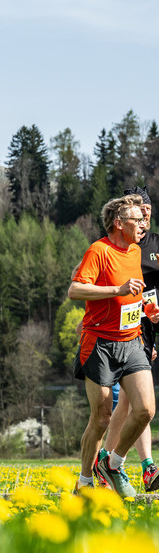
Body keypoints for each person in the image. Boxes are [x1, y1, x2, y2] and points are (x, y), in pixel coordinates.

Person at [69, 193, 156, 497]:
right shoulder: (99, 251)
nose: (144, 224)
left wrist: (147, 310)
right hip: (100, 344)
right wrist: (116, 289)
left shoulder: (134, 251)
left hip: (132, 341)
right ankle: (84, 480)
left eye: (144, 219)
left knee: (145, 409)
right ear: (119, 224)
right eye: (137, 219)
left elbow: (132, 294)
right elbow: (75, 289)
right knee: (102, 418)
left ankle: (113, 464)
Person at [100, 187, 159, 491]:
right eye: (136, 210)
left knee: (134, 405)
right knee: (127, 405)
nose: (143, 214)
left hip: (145, 329)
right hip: (119, 333)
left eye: (146, 208)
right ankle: (112, 465)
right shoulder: (111, 248)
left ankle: (111, 463)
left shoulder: (150, 246)